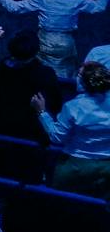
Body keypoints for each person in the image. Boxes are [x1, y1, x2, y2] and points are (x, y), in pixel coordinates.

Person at [34, 56, 110, 196]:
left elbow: (56, 137)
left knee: (67, 203)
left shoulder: (73, 107)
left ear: (82, 82)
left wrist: (42, 112)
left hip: (76, 165)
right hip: (107, 166)